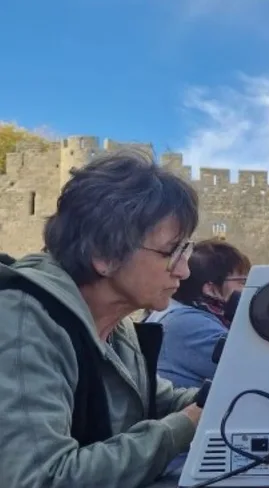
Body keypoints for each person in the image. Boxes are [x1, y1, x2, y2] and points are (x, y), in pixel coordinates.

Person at [0, 151, 202, 488]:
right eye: (171, 252)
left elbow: (155, 399)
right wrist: (184, 426)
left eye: (186, 251)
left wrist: (233, 395)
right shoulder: (25, 322)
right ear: (103, 255)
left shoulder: (115, 323)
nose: (184, 270)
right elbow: (41, 478)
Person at [145, 239, 251, 388]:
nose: (250, 288)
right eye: (243, 281)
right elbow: (255, 371)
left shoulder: (175, 311)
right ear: (211, 288)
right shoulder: (191, 324)